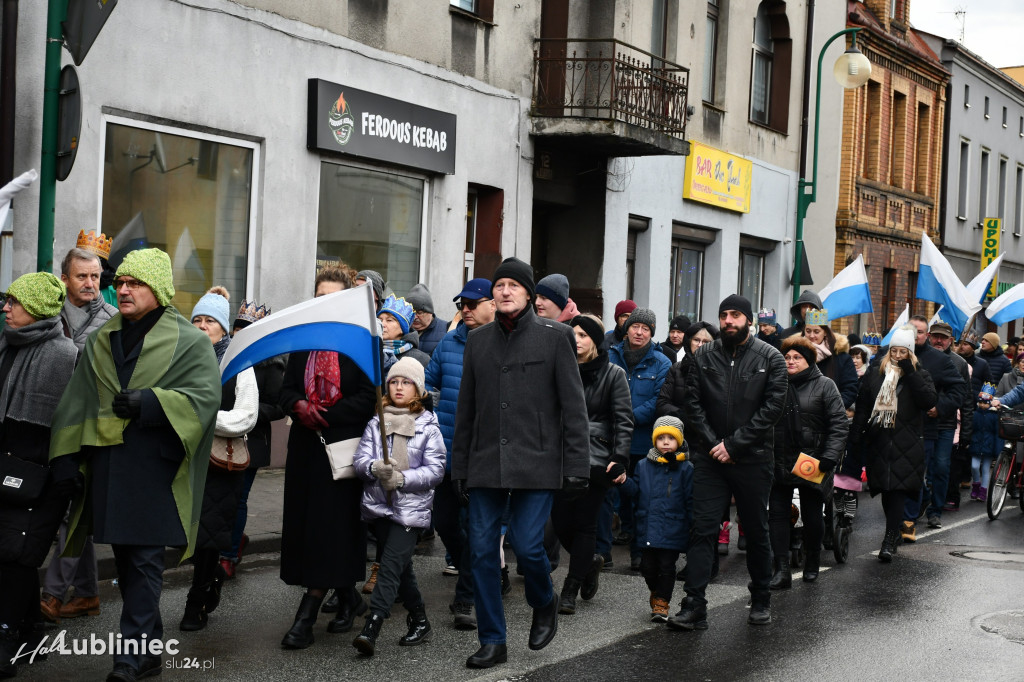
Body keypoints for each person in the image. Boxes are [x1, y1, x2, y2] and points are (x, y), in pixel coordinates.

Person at [48, 249, 222, 681]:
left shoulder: (191, 340)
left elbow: (205, 399)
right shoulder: (105, 336)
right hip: (109, 465)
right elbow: (78, 401)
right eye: (120, 282)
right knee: (127, 562)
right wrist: (67, 458)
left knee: (144, 561)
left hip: (156, 469)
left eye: (135, 283)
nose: (122, 289)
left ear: (158, 290)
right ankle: (149, 650)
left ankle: (128, 659)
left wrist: (153, 402)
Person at [451, 257, 589, 669]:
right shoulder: (478, 341)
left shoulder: (555, 336)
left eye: (513, 285)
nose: (505, 291)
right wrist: (459, 467)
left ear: (529, 293)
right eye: (499, 285)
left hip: (538, 461)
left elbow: (574, 408)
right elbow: (466, 411)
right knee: (480, 553)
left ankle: (543, 601)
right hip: (485, 462)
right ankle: (493, 640)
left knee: (529, 547)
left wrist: (577, 466)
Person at [669, 294, 786, 631]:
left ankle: (761, 595)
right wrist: (714, 444)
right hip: (711, 458)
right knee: (703, 529)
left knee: (756, 529)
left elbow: (772, 409)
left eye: (735, 315)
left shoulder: (770, 358)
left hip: (753, 458)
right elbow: (692, 403)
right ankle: (695, 604)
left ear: (748, 320)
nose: (728, 321)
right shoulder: (703, 355)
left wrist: (735, 445)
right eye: (724, 316)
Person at [278, 265, 377, 649]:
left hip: (343, 448)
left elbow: (370, 398)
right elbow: (286, 391)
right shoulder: (304, 342)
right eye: (320, 297)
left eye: (334, 297)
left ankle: (306, 615)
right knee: (308, 530)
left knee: (330, 528)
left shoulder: (360, 342)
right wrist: (299, 405)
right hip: (305, 450)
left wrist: (327, 414)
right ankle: (348, 596)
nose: (325, 304)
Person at [0, 273, 78, 678]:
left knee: (16, 552)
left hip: (42, 469)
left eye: (14, 302)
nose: (6, 308)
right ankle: (30, 634)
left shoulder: (63, 354)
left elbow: (67, 422)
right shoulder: (8, 344)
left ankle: (8, 636)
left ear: (38, 308)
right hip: (8, 461)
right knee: (15, 551)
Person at [40, 245, 119, 625]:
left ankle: (52, 594)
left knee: (74, 510)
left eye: (96, 276)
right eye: (82, 276)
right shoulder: (47, 313)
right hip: (44, 422)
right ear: (65, 279)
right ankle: (87, 593)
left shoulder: (114, 319)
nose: (91, 283)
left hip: (87, 428)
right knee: (71, 512)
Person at [351, 357, 446, 656]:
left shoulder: (428, 426)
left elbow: (436, 470)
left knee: (389, 567)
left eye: (406, 382)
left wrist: (402, 478)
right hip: (380, 508)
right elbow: (359, 461)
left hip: (411, 511)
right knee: (402, 568)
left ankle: (372, 626)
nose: (399, 387)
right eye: (394, 381)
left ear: (418, 389)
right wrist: (374, 467)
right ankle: (419, 620)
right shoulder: (376, 422)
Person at [179, 287, 258, 631]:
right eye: (196, 319)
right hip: (184, 460)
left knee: (210, 536)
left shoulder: (238, 363)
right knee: (188, 536)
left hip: (219, 463)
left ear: (224, 329)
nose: (201, 326)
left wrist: (203, 420)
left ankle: (195, 604)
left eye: (209, 320)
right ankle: (211, 579)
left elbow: (247, 415)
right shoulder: (180, 359)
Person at [424, 278, 495, 630]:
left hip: (484, 458)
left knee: (479, 529)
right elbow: (428, 385)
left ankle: (465, 599)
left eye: (472, 303)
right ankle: (487, 570)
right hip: (448, 454)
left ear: (492, 305)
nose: (464, 309)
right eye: (461, 304)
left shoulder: (503, 344)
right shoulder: (448, 343)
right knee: (445, 523)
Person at [551, 314, 633, 615]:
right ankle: (591, 562)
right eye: (573, 334)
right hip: (559, 456)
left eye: (584, 335)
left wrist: (619, 458)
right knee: (560, 523)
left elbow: (624, 420)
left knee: (585, 524)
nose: (577, 340)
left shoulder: (613, 374)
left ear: (596, 341)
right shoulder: (560, 369)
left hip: (596, 458)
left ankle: (571, 586)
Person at [849, 326, 937, 562]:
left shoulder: (920, 373)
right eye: (895, 351)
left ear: (911, 353)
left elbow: (928, 400)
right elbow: (864, 405)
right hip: (880, 439)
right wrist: (857, 434)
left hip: (906, 441)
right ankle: (894, 531)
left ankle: (889, 539)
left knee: (897, 490)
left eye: (903, 352)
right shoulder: (876, 373)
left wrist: (911, 372)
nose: (898, 356)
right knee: (886, 490)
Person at [769, 336, 848, 588]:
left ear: (808, 360)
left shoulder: (825, 386)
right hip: (778, 457)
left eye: (797, 357)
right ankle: (780, 569)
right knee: (778, 515)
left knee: (813, 515)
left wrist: (829, 456)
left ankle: (812, 561)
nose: (790, 361)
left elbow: (838, 423)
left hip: (813, 460)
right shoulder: (774, 384)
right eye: (787, 357)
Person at [220, 300, 285, 578]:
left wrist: (248, 412)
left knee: (238, 498)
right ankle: (233, 541)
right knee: (221, 496)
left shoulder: (272, 364)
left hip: (252, 439)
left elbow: (278, 405)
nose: (240, 333)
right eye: (238, 327)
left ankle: (229, 555)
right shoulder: (225, 355)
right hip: (221, 434)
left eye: (247, 328)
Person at [608, 307, 671, 571]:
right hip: (612, 440)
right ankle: (608, 546)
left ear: (652, 333)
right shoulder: (610, 355)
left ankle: (638, 549)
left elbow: (660, 401)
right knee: (613, 493)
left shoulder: (662, 362)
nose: (640, 332)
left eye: (646, 329)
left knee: (642, 497)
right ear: (627, 328)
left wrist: (627, 418)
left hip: (643, 442)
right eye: (636, 326)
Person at [617, 416, 692, 623]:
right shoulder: (642, 465)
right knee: (647, 567)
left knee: (667, 567)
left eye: (671, 438)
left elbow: (690, 499)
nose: (666, 442)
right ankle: (656, 592)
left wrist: (694, 524)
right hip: (648, 526)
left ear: (679, 440)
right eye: (661, 438)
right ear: (654, 440)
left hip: (673, 526)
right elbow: (635, 491)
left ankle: (662, 603)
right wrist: (624, 481)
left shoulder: (686, 468)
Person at [899, 316, 964, 536]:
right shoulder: (892, 354)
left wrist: (940, 407)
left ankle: (927, 513)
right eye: (911, 330)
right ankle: (923, 500)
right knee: (902, 474)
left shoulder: (941, 360)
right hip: (897, 427)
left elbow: (961, 391)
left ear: (924, 335)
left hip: (931, 426)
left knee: (935, 469)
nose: (914, 335)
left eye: (919, 332)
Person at [929, 322, 974, 512]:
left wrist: (966, 432)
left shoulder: (959, 363)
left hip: (947, 424)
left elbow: (966, 400)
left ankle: (936, 508)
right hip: (922, 422)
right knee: (923, 467)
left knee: (941, 466)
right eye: (935, 336)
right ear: (930, 337)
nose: (939, 341)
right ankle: (920, 502)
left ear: (950, 340)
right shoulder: (920, 358)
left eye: (943, 337)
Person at [958, 331, 995, 503]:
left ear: (973, 347)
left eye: (966, 344)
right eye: (961, 343)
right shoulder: (956, 360)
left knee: (969, 443)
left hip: (975, 408)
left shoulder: (982, 364)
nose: (962, 346)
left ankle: (968, 478)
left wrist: (983, 398)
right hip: (957, 405)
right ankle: (961, 475)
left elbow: (990, 383)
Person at [801, 309, 859, 409]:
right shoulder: (795, 354)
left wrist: (833, 409)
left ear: (825, 333)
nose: (811, 336)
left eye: (816, 331)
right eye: (808, 331)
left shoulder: (841, 358)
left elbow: (850, 390)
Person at [379, 294, 431, 368]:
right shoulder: (369, 353)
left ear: (402, 329)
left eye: (389, 320)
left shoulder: (420, 359)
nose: (382, 324)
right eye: (380, 320)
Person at [406, 283, 449, 356]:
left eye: (419, 312)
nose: (415, 317)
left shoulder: (446, 330)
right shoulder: (402, 330)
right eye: (411, 312)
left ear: (430, 312)